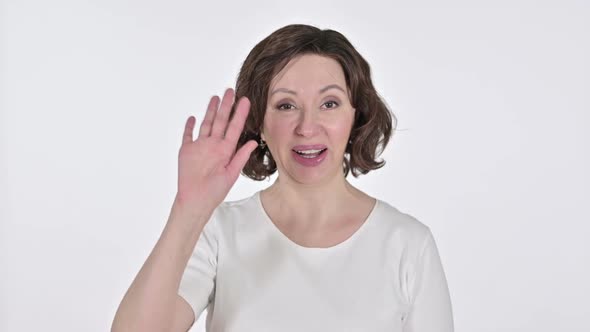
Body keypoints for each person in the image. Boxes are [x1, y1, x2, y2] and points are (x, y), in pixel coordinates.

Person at [112, 24, 454, 332]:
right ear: (258, 122)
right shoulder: (219, 232)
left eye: (330, 103)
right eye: (286, 105)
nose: (307, 127)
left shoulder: (408, 244)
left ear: (357, 115)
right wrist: (188, 210)